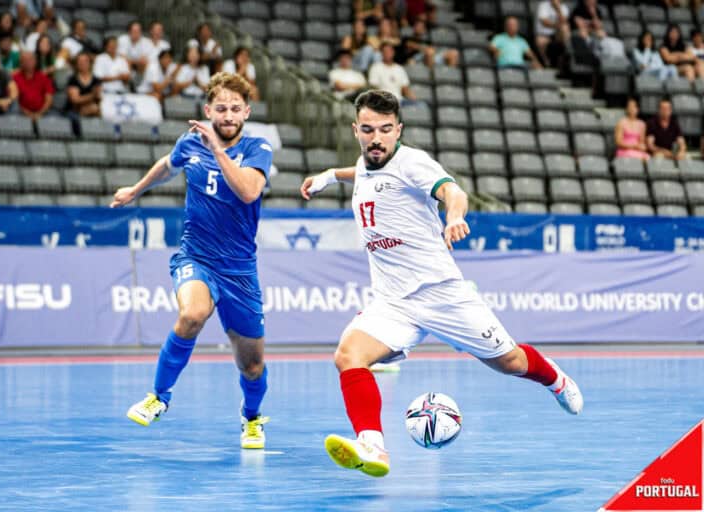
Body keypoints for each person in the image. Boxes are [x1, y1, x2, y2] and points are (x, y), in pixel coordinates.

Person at [300, 89, 583, 477]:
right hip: (393, 302)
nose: (377, 138)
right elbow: (363, 171)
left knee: (509, 362)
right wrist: (329, 177)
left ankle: (553, 377)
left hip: (443, 295)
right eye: (368, 130)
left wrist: (453, 217)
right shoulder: (369, 161)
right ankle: (373, 446)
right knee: (348, 356)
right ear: (356, 130)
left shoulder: (414, 163)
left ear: (398, 129)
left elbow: (453, 190)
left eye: (385, 130)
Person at [115, 72, 274, 450]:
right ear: (208, 110)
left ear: (247, 112)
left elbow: (250, 191)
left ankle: (251, 419)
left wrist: (217, 150)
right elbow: (168, 165)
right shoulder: (190, 142)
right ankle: (159, 396)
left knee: (251, 365)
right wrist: (136, 190)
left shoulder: (258, 148)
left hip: (239, 271)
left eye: (236, 108)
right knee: (191, 315)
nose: (229, 114)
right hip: (195, 256)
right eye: (221, 108)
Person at [13, 51, 54, 121]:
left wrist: (40, 113)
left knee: (56, 120)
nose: (28, 62)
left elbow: (49, 99)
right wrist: (27, 114)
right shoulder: (15, 78)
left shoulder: (43, 77)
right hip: (20, 112)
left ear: (35, 62)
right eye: (25, 60)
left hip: (43, 112)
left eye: (31, 59)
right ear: (21, 63)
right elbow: (14, 100)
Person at [535, 0, 570, 67]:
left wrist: (558, 9)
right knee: (540, 40)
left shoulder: (564, 7)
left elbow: (564, 22)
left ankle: (566, 58)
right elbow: (544, 22)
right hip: (544, 34)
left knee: (565, 28)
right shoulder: (543, 5)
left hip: (557, 34)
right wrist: (556, 26)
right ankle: (547, 63)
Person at [66, 52, 101, 117]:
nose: (83, 63)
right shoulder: (73, 79)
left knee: (96, 109)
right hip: (75, 110)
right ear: (76, 64)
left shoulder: (96, 80)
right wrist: (92, 95)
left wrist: (89, 98)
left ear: (90, 63)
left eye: (85, 61)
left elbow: (98, 97)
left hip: (92, 107)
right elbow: (75, 100)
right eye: (80, 61)